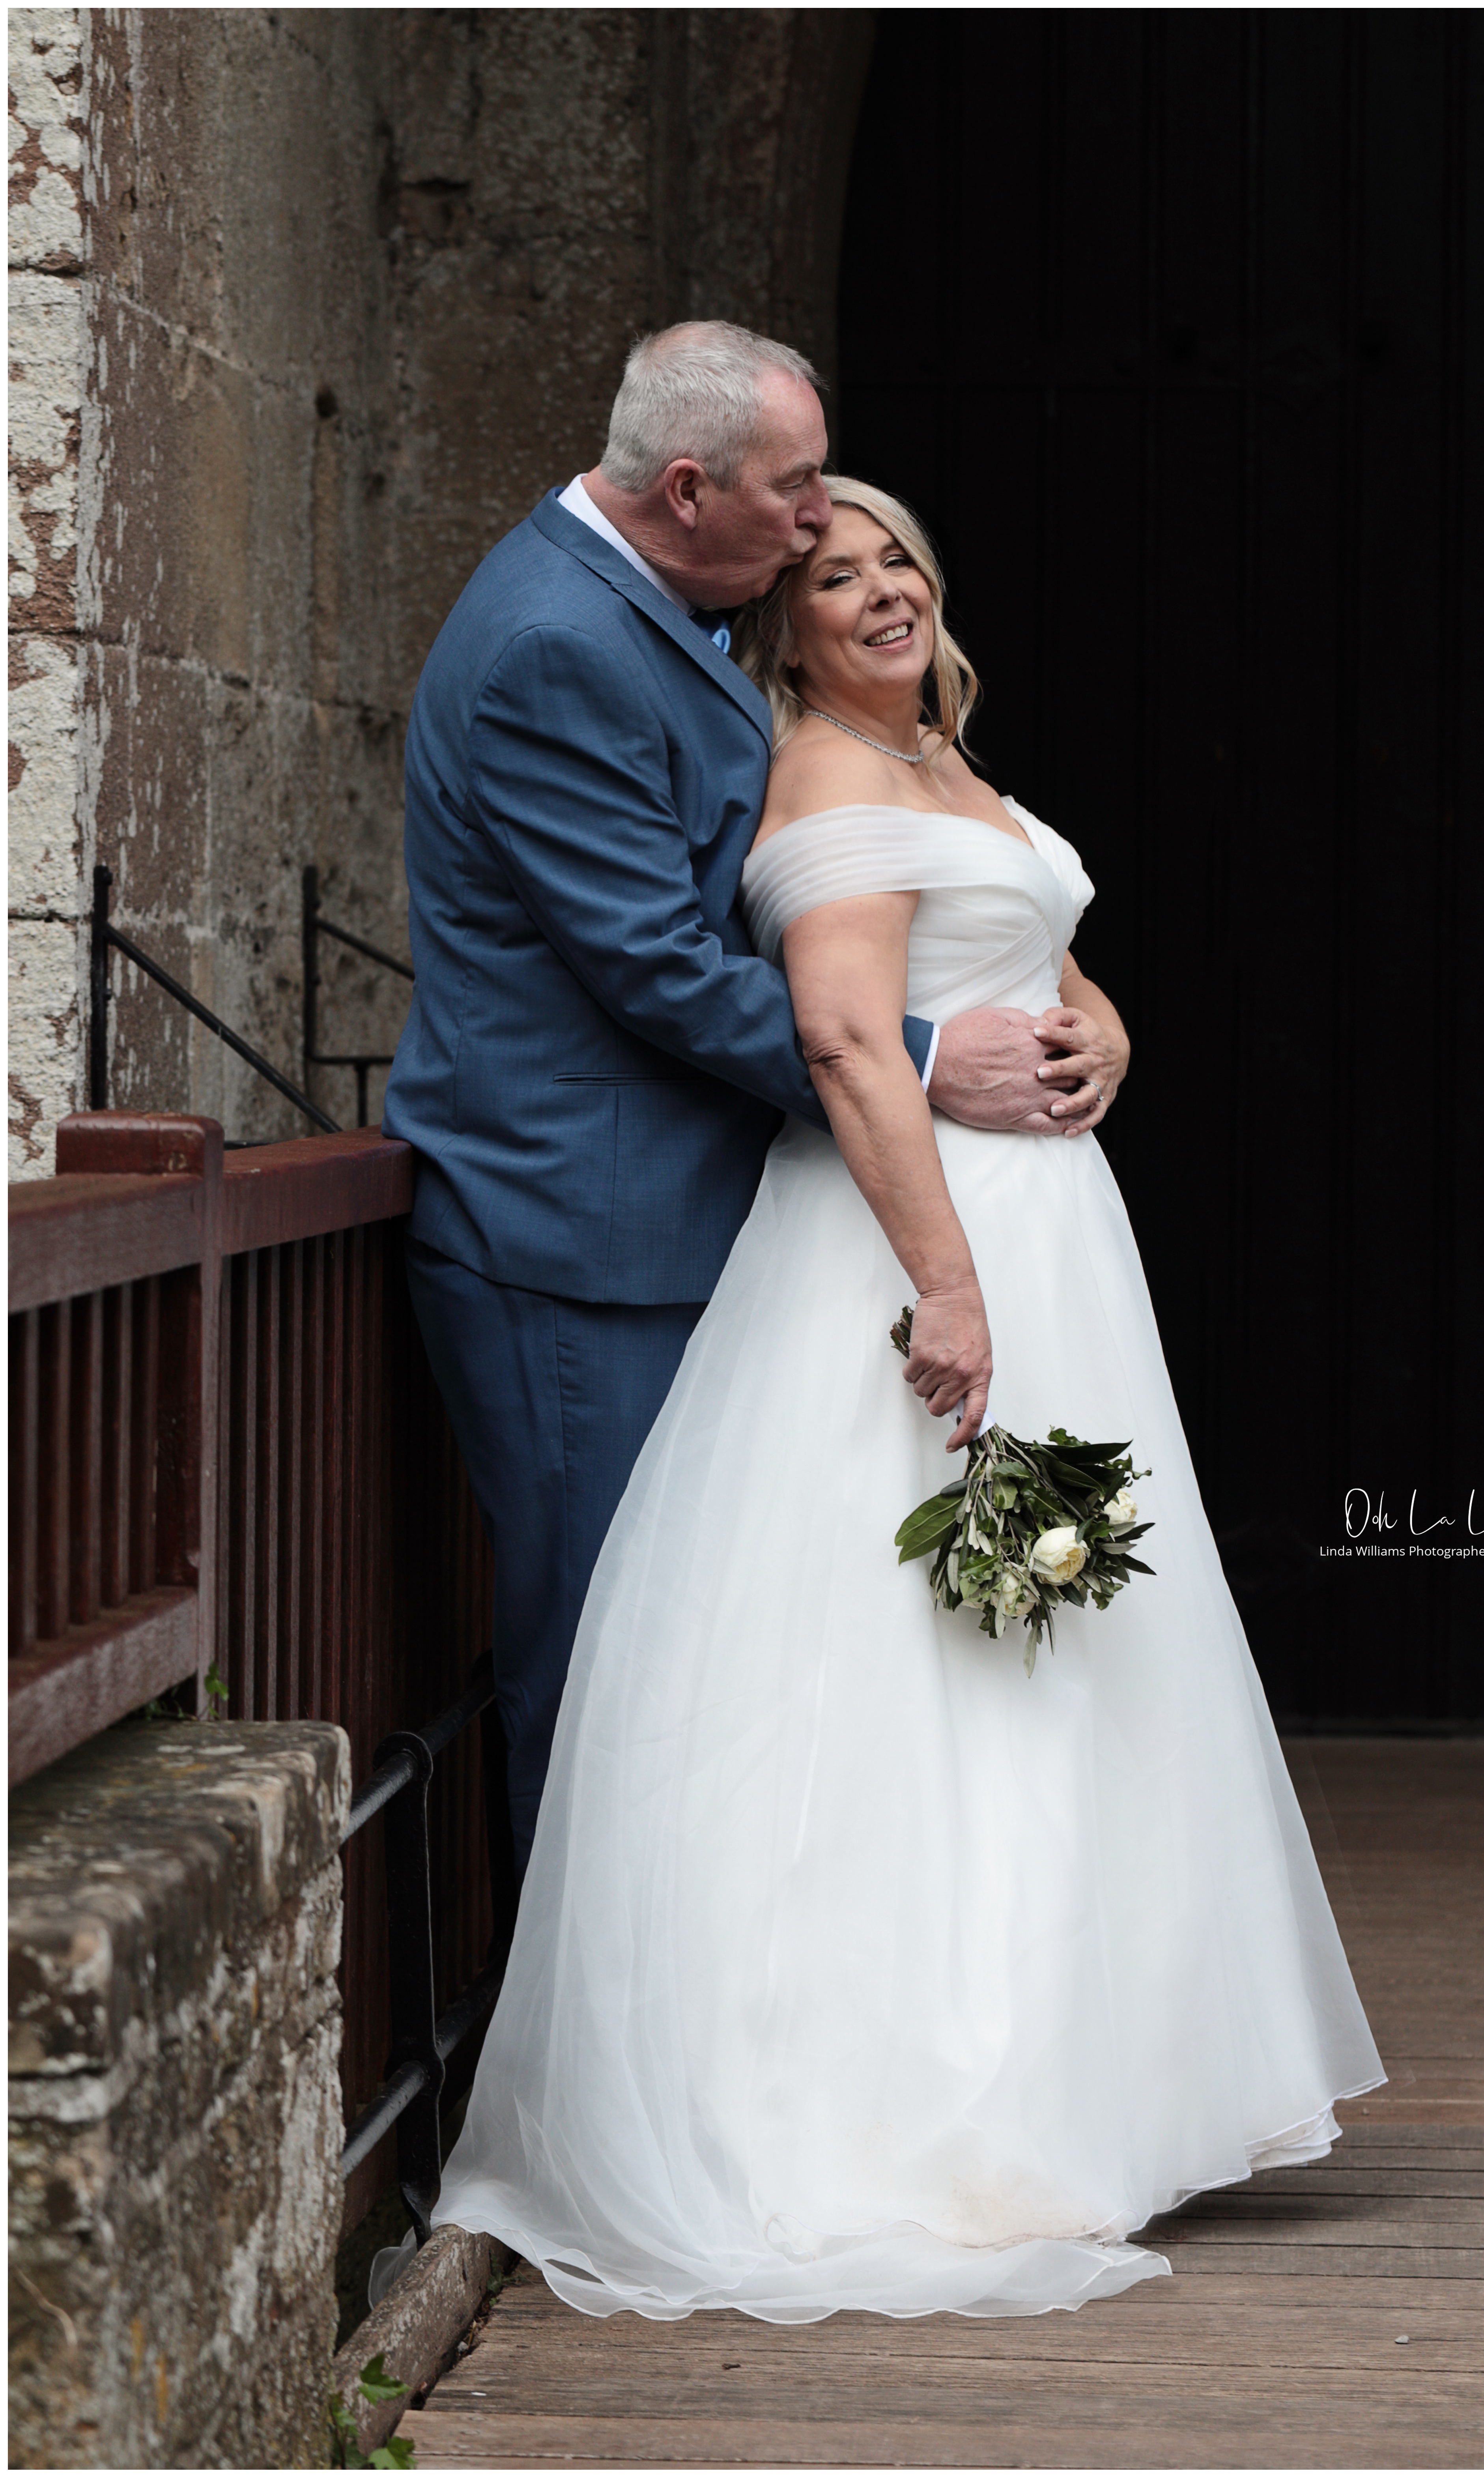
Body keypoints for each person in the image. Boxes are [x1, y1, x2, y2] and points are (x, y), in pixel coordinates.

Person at [432, 477, 1385, 2320]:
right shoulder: (832, 781)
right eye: (830, 573)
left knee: (1057, 1652)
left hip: (1053, 1235)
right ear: (777, 629)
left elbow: (1029, 955)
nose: (873, 589)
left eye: (893, 560)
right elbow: (850, 1038)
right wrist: (944, 1281)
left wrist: (1105, 1018)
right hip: (916, 1240)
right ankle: (902, 2096)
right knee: (909, 1652)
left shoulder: (953, 768)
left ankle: (1077, 2068)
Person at [382, 326, 1119, 1873]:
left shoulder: (666, 617)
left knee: (712, 1661)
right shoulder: (552, 647)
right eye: (794, 498)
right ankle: (586, 2091)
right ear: (687, 486)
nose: (815, 525)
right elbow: (654, 965)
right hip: (576, 1237)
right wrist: (917, 1054)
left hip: (692, 1222)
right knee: (602, 1662)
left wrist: (1072, 1012)